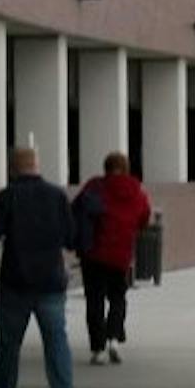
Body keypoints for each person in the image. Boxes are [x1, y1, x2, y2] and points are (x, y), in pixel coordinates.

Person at [0, 147, 78, 388]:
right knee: (56, 341)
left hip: (15, 282)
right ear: (37, 165)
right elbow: (72, 237)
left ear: (12, 168)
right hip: (51, 282)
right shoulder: (57, 196)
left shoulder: (7, 197)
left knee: (9, 344)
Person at [73, 152, 152, 365]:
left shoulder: (95, 186)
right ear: (126, 168)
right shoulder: (137, 191)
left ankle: (98, 349)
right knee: (118, 297)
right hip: (121, 255)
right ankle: (114, 339)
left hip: (94, 254)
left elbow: (76, 210)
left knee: (95, 300)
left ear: (106, 168)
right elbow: (144, 218)